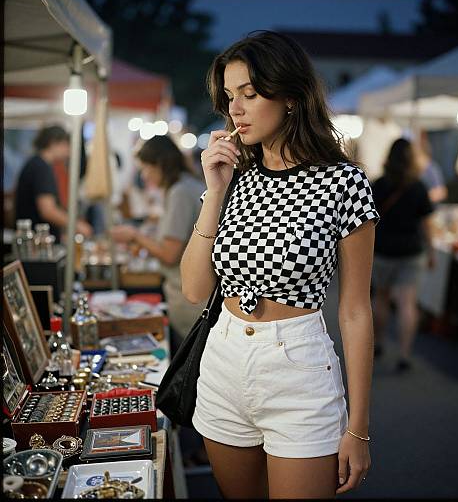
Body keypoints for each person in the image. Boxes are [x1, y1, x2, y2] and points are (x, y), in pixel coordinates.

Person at [180, 31, 380, 499]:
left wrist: (360, 427)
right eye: (229, 97)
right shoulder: (235, 178)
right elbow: (193, 289)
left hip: (298, 369)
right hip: (224, 361)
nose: (236, 109)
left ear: (290, 95)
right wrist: (215, 188)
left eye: (249, 94)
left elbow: (355, 310)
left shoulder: (343, 182)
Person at [110, 135, 207, 344]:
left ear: (160, 165)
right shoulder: (187, 184)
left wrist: (134, 235)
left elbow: (169, 254)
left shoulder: (179, 191)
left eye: (146, 168)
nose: (144, 176)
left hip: (189, 299)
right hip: (195, 294)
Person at [371, 138, 435, 372]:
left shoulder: (378, 184)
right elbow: (427, 225)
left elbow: (368, 223)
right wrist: (431, 252)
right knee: (408, 304)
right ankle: (405, 354)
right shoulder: (418, 186)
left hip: (382, 251)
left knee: (381, 299)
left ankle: (378, 343)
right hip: (411, 252)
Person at [15, 125, 93, 241]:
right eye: (66, 145)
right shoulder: (41, 167)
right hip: (37, 242)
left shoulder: (36, 164)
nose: (69, 151)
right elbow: (48, 210)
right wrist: (77, 225)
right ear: (53, 143)